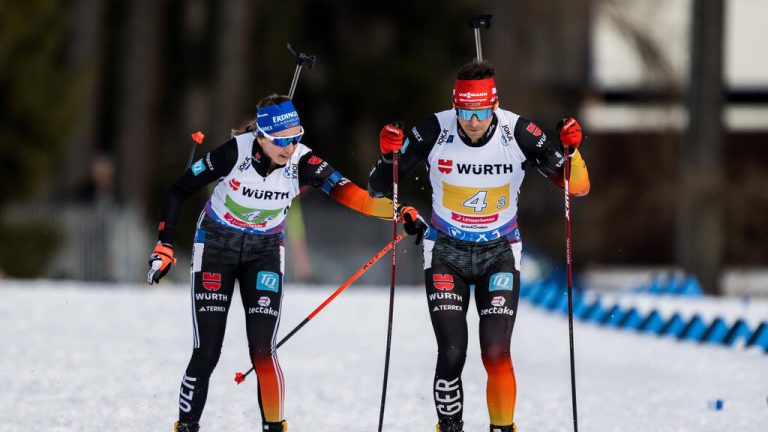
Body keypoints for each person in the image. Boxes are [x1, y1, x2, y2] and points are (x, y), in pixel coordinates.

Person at [147, 94, 422, 432]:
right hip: (217, 245)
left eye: (296, 138)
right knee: (206, 353)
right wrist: (165, 245)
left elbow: (356, 198)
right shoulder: (234, 152)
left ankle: (274, 427)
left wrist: (398, 211)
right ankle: (187, 426)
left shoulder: (304, 162)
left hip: (264, 251)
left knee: (263, 351)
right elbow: (178, 190)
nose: (289, 148)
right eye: (280, 141)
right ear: (260, 136)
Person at [367, 61, 590, 432]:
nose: (473, 121)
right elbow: (379, 185)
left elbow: (576, 185)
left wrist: (573, 150)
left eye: (482, 112)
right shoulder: (432, 130)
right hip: (445, 253)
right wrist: (389, 155)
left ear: (494, 105)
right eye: (466, 112)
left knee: (496, 352)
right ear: (456, 106)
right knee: (452, 351)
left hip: (499, 252)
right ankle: (450, 426)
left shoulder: (519, 131)